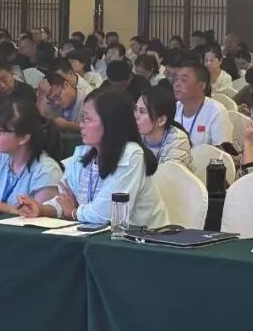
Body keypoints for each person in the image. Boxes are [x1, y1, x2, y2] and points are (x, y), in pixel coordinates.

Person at [18, 89, 168, 227]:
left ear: (110, 122)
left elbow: (107, 213)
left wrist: (74, 212)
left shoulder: (131, 155)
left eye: (87, 119)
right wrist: (41, 209)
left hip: (143, 239)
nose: (81, 125)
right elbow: (65, 199)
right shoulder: (82, 154)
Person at [0, 99, 62, 215]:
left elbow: (39, 217)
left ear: (23, 138)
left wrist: (6, 208)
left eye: (1, 131)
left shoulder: (46, 170)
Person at [135, 85, 194, 171]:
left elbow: (169, 175)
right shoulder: (133, 136)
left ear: (161, 120)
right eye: (135, 109)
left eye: (142, 111)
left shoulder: (178, 140)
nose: (135, 116)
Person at [172, 60, 231, 146]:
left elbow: (221, 151)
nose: (176, 84)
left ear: (201, 86)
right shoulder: (174, 108)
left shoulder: (217, 112)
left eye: (184, 80)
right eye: (176, 79)